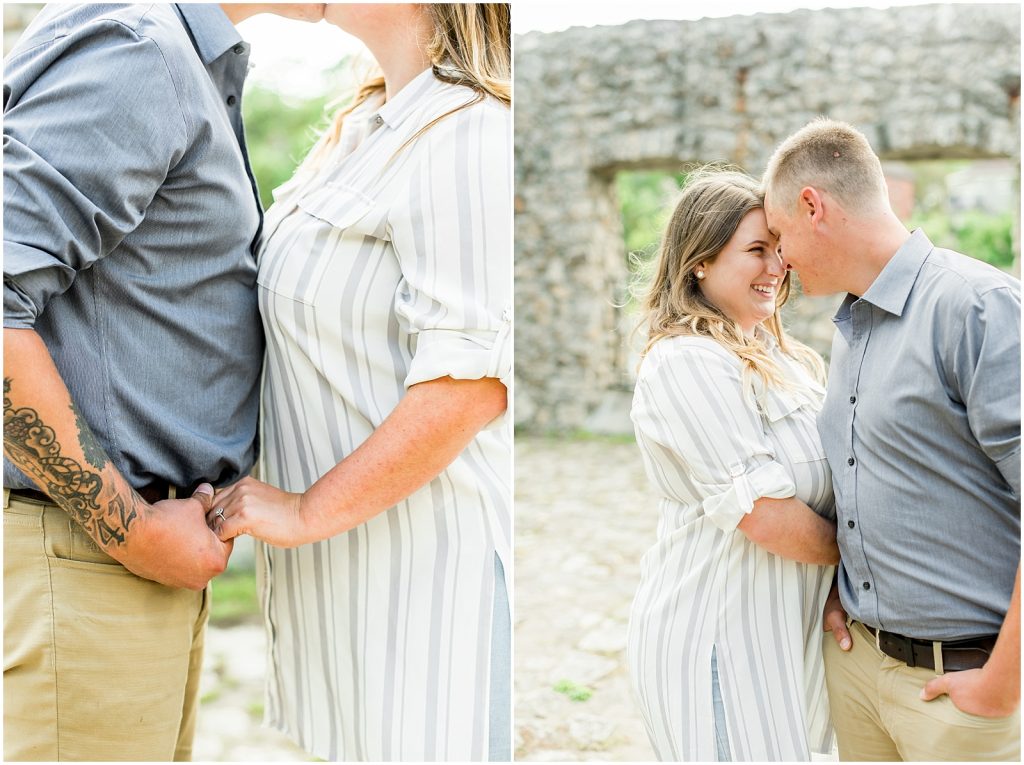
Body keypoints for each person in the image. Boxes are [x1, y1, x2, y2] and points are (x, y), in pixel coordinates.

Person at [2, 3, 323, 760]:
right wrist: (135, 531)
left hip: (111, 559)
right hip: (86, 556)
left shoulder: (173, 52)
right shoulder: (139, 52)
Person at [207, 4, 512, 761]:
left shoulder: (471, 133)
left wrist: (308, 509)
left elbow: (470, 383)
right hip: (344, 585)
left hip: (428, 584)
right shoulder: (366, 124)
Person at [762, 117, 1021, 761]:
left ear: (813, 207)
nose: (780, 258)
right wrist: (840, 592)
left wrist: (999, 688)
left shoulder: (979, 307)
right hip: (858, 670)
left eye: (778, 233)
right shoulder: (850, 326)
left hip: (960, 689)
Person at [627, 169, 840, 761]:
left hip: (785, 634)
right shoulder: (686, 363)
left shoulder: (788, 360)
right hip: (717, 636)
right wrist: (870, 562)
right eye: (755, 250)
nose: (776, 266)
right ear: (700, 261)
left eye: (779, 249)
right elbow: (767, 518)